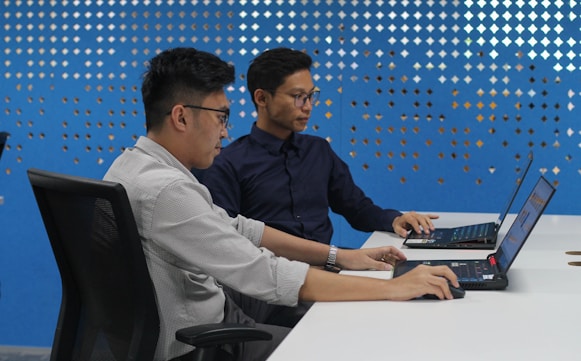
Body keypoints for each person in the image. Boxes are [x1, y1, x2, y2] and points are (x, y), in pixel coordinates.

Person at [104, 47, 459, 361]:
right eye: (220, 117)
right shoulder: (169, 190)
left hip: (213, 314)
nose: (225, 131)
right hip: (205, 339)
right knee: (342, 346)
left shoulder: (133, 166)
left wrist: (339, 256)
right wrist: (393, 288)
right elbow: (263, 274)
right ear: (181, 117)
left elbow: (239, 227)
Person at [200, 47, 438, 247]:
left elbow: (357, 209)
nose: (308, 106)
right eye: (298, 96)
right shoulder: (227, 164)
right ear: (262, 98)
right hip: (273, 283)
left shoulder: (318, 151)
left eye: (311, 95)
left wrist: (395, 219)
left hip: (329, 267)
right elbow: (229, 243)